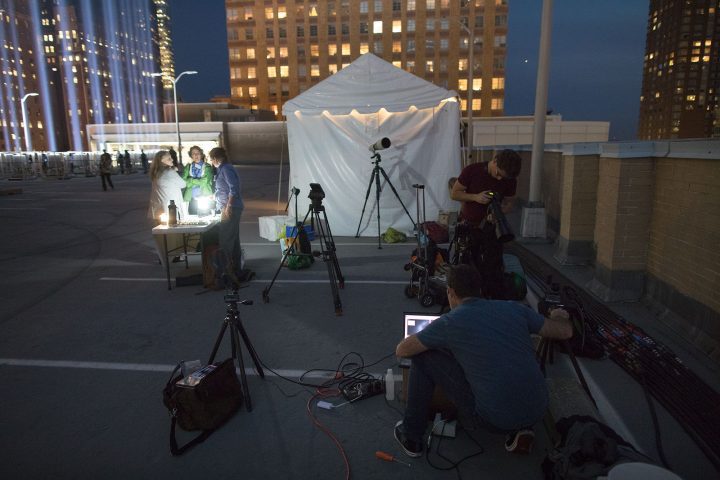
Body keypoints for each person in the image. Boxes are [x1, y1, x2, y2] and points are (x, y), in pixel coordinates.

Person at [394, 264, 572, 458]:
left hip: (491, 420)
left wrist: (433, 342)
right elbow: (565, 331)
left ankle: (411, 435)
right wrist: (558, 315)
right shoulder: (514, 308)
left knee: (422, 356)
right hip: (537, 409)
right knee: (520, 355)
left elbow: (402, 350)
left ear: (450, 292)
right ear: (479, 289)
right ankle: (521, 428)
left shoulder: (450, 322)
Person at [450, 149, 522, 299]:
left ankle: (491, 299)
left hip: (492, 230)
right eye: (498, 173)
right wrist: (475, 197)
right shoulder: (472, 170)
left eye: (504, 177)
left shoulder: (509, 179)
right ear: (494, 161)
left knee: (493, 268)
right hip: (469, 227)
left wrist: (502, 210)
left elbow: (510, 202)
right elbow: (455, 193)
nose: (500, 179)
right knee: (467, 269)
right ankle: (467, 301)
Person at [208, 146, 244, 285]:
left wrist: (228, 206)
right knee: (233, 240)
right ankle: (236, 269)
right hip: (229, 207)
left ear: (215, 159)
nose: (212, 163)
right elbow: (223, 189)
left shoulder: (226, 169)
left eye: (211, 160)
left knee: (225, 240)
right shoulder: (223, 168)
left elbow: (233, 188)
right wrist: (215, 196)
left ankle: (225, 273)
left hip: (231, 208)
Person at [147, 150, 187, 223]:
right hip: (170, 210)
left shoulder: (155, 173)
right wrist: (174, 171)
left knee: (161, 231)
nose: (172, 159)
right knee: (171, 232)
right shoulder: (169, 172)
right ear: (162, 161)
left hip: (159, 210)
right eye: (169, 159)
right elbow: (183, 184)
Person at [182, 146, 214, 215]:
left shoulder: (207, 167)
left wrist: (190, 180)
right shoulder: (188, 167)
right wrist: (198, 181)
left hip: (205, 197)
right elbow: (184, 182)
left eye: (198, 153)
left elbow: (205, 182)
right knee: (192, 217)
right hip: (191, 198)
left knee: (206, 217)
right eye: (193, 153)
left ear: (201, 154)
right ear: (191, 155)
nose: (196, 155)